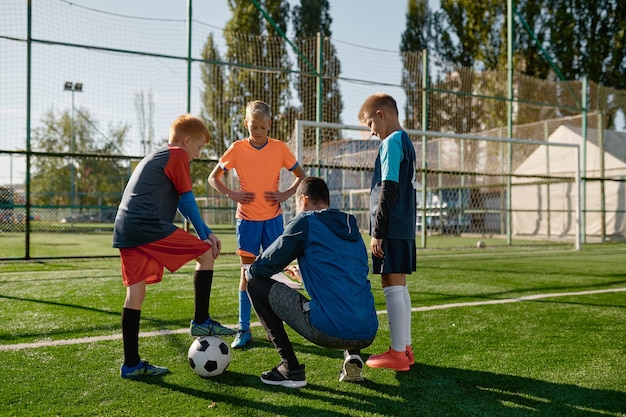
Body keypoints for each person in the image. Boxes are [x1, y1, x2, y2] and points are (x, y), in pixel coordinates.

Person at [113, 114, 235, 379]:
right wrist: (206, 236)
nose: (197, 154)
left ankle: (131, 365)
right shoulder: (177, 154)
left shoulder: (157, 156)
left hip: (126, 227)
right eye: (199, 147)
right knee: (205, 254)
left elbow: (179, 203)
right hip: (146, 224)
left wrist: (207, 231)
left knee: (135, 295)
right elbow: (188, 202)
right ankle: (201, 322)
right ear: (187, 140)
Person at [246, 176, 379, 388]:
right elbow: (344, 275)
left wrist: (249, 270)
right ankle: (352, 355)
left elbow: (266, 264)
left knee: (254, 284)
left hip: (328, 330)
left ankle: (290, 368)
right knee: (348, 289)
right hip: (368, 330)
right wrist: (305, 276)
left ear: (304, 199)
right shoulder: (350, 224)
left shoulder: (306, 221)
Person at [208, 100, 306, 349]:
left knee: (274, 272)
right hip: (247, 221)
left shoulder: (280, 148)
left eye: (263, 127)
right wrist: (233, 194)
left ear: (269, 125)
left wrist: (286, 194)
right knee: (246, 275)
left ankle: (277, 324)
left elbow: (302, 177)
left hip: (273, 218)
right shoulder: (237, 149)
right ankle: (244, 328)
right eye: (254, 128)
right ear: (246, 125)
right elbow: (213, 178)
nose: (259, 132)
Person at [357, 93, 417, 371]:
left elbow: (388, 189)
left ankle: (397, 353)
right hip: (403, 225)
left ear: (381, 114)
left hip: (390, 227)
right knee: (400, 284)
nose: (371, 132)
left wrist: (378, 231)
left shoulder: (390, 142)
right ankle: (404, 348)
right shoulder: (405, 140)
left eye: (370, 124)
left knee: (391, 284)